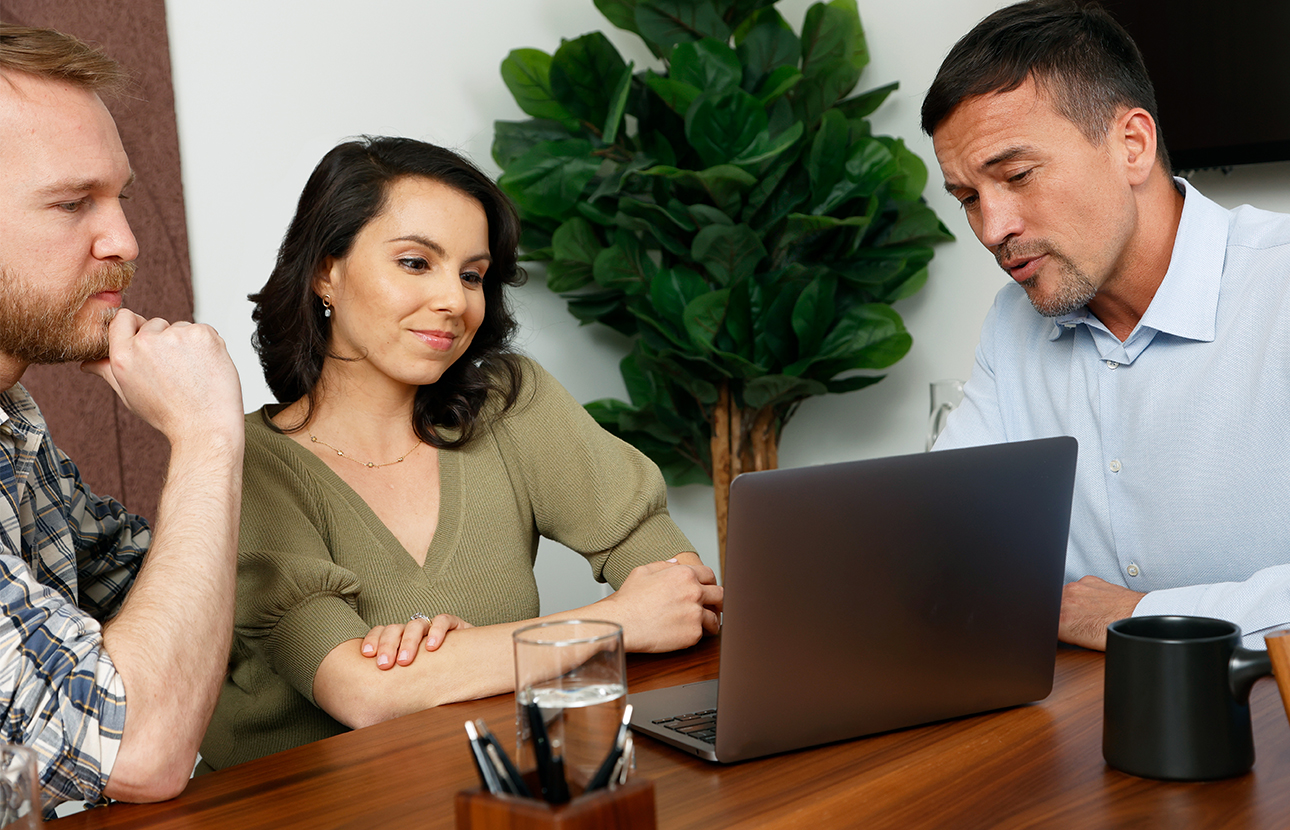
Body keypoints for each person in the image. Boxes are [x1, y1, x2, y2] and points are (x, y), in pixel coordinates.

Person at [198, 136, 722, 771]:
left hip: (488, 791)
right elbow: (365, 690)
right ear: (324, 272)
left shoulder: (507, 405)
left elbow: (675, 589)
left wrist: (475, 658)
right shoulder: (242, 462)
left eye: (472, 274)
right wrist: (610, 625)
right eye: (417, 263)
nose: (456, 301)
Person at [922, 0, 1290, 651]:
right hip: (1083, 719)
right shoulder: (1013, 323)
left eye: (1016, 175)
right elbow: (944, 542)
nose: (991, 228)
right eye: (968, 198)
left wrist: (1145, 612)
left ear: (1132, 145)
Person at [0, 26, 244, 807]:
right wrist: (206, 436)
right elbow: (136, 746)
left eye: (120, 198)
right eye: (73, 204)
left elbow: (155, 587)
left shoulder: (10, 424)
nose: (127, 242)